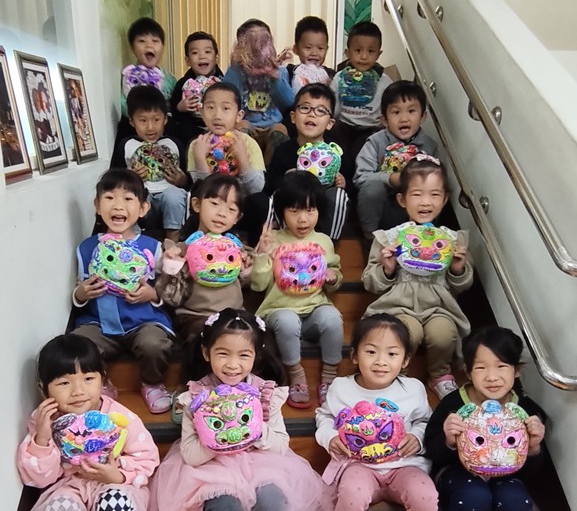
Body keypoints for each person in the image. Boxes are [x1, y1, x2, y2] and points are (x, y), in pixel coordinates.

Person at [140, 309, 333, 511]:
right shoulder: (196, 396)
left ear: (256, 355)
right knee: (225, 505)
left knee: (273, 498)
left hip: (261, 462)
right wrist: (216, 438)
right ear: (206, 353)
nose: (233, 364)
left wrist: (255, 431)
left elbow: (280, 444)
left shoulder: (265, 393)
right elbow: (190, 455)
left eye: (244, 355)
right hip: (211, 467)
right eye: (223, 353)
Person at [17, 335, 159, 511]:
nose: (78, 391)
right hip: (68, 486)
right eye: (63, 383)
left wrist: (117, 474)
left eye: (88, 379)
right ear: (44, 389)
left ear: (103, 379)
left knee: (115, 503)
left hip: (115, 484)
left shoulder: (119, 417)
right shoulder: (45, 423)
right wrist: (42, 439)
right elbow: (39, 478)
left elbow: (147, 459)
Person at [315, 314, 439, 511]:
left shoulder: (413, 389)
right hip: (359, 465)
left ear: (405, 360)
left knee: (425, 495)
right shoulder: (341, 388)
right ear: (355, 355)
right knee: (351, 493)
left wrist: (417, 437)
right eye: (371, 351)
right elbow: (324, 417)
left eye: (392, 354)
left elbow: (426, 421)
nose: (381, 361)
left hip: (404, 465)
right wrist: (330, 437)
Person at [424, 326, 546, 511]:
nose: (492, 376)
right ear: (467, 371)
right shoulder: (455, 404)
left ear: (517, 370)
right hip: (455, 474)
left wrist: (533, 446)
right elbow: (431, 451)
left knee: (516, 500)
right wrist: (448, 439)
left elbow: (533, 471)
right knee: (473, 495)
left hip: (506, 476)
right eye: (481, 368)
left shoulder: (524, 411)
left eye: (501, 366)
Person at [362, 156, 472, 399]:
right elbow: (370, 282)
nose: (425, 202)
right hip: (399, 305)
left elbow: (462, 285)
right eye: (417, 194)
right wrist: (387, 269)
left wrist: (457, 269)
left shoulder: (452, 240)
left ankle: (440, 374)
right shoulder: (389, 238)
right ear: (402, 199)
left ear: (444, 199)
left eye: (434, 194)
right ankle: (398, 375)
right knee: (408, 332)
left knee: (443, 334)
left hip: (439, 306)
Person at [71, 169, 174, 414]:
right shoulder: (87, 248)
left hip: (142, 321)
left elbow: (166, 289)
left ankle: (151, 383)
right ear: (97, 206)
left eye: (128, 199)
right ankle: (101, 382)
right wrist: (82, 293)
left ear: (143, 208)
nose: (118, 205)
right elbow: (79, 289)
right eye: (109, 198)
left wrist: (152, 295)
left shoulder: (152, 247)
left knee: (154, 344)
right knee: (79, 345)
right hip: (99, 323)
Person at [251, 171, 343, 407]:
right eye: (294, 211)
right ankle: (296, 375)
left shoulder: (323, 241)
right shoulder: (273, 239)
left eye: (310, 211)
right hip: (278, 310)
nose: (303, 219)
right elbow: (257, 285)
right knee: (288, 321)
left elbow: (335, 275)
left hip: (314, 308)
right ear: (282, 212)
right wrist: (261, 254)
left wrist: (333, 278)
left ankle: (330, 378)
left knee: (332, 317)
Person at [157, 173, 251, 346]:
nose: (222, 213)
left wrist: (246, 269)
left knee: (257, 339)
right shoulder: (181, 250)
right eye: (214, 204)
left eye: (231, 209)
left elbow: (247, 284)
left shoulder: (236, 249)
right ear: (197, 204)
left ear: (238, 217)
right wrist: (172, 267)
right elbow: (170, 298)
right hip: (195, 316)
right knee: (207, 337)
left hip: (234, 314)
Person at [354, 80, 438, 236]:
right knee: (372, 188)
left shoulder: (428, 146)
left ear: (422, 116)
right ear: (384, 120)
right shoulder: (376, 142)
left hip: (411, 210)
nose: (404, 118)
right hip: (382, 208)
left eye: (411, 111)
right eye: (396, 112)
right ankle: (370, 237)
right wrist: (390, 178)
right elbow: (361, 177)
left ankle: (422, 236)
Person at [265, 84, 349, 240]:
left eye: (321, 111)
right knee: (277, 193)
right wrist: (286, 179)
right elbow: (269, 186)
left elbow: (350, 189)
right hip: (292, 214)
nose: (312, 114)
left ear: (330, 123)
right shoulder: (283, 150)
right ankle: (283, 240)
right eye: (305, 108)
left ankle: (328, 242)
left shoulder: (336, 152)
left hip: (320, 213)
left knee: (338, 195)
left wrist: (342, 182)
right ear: (293, 117)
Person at [111, 85, 188, 242]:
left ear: (165, 119)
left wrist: (182, 180)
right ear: (132, 121)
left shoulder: (174, 144)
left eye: (156, 119)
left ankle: (172, 242)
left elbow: (188, 181)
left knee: (174, 195)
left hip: (169, 197)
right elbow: (114, 180)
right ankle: (134, 240)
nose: (150, 127)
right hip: (143, 199)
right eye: (143, 120)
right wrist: (131, 178)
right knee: (132, 197)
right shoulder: (126, 145)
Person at [330, 21, 393, 181]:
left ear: (378, 54)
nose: (364, 56)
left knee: (359, 154)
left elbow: (390, 108)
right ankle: (339, 182)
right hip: (343, 126)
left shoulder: (384, 82)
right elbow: (332, 106)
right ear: (347, 52)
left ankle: (354, 187)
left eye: (371, 51)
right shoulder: (339, 78)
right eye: (358, 50)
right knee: (338, 151)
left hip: (369, 129)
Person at [223, 23, 294, 162]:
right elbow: (227, 98)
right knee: (240, 128)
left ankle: (269, 170)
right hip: (246, 123)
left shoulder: (280, 71)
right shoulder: (235, 71)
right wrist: (238, 69)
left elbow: (289, 102)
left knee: (280, 130)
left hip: (272, 125)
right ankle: (244, 167)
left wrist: (274, 75)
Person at [187, 82, 265, 196]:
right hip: (211, 200)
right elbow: (199, 189)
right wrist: (200, 159)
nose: (217, 115)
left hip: (241, 201)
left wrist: (242, 158)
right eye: (210, 107)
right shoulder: (197, 145)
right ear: (202, 113)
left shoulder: (248, 143)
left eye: (226, 108)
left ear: (239, 115)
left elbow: (256, 188)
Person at [116, 17, 177, 144]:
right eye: (142, 41)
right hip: (135, 134)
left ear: (163, 47)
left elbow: (175, 108)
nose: (149, 45)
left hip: (164, 135)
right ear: (132, 47)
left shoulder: (169, 79)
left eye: (155, 41)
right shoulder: (128, 76)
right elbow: (124, 107)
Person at [170, 31, 223, 144]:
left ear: (216, 58)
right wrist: (180, 107)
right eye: (195, 53)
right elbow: (173, 110)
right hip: (193, 129)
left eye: (207, 52)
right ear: (187, 61)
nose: (202, 56)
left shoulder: (223, 83)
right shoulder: (183, 84)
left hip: (219, 125)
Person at [285, 15, 335, 90]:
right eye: (308, 48)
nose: (314, 53)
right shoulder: (289, 74)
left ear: (326, 49)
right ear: (296, 49)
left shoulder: (331, 76)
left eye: (320, 48)